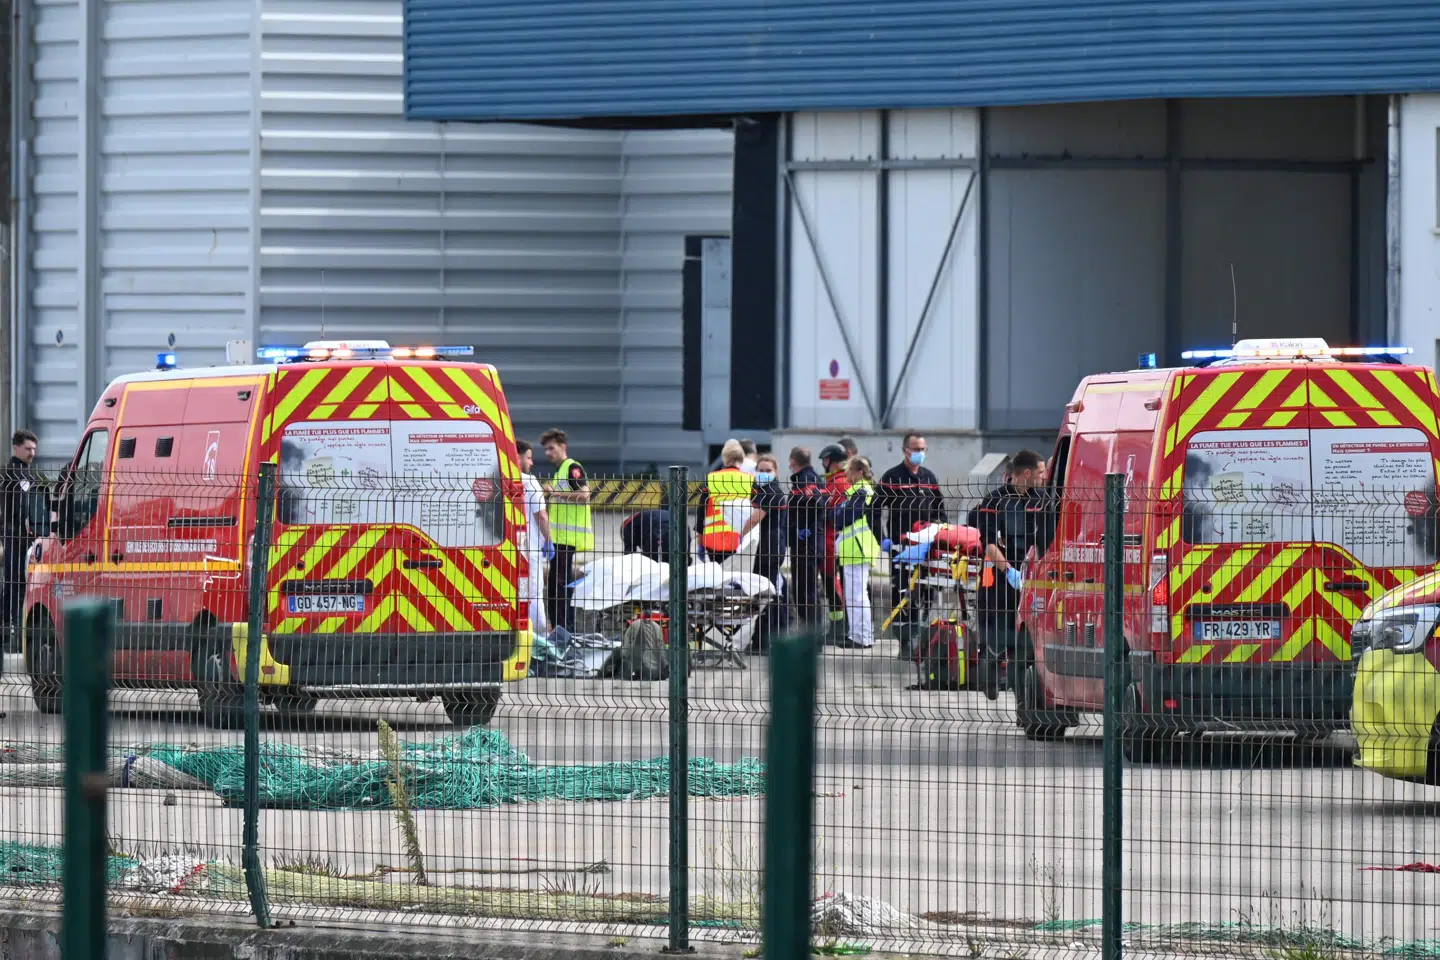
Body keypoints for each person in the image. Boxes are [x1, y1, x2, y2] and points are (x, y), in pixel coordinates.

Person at [971, 449, 1047, 701]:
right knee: (999, 636)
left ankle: (1022, 704)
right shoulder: (994, 502)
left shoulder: (1042, 500)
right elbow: (990, 545)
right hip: (1001, 581)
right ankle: (990, 667)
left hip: (1034, 576)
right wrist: (1012, 572)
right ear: (1026, 474)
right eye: (1041, 472)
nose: (1045, 477)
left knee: (1022, 647)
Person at [876, 432, 948, 657]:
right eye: (915, 449)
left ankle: (923, 638)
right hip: (902, 548)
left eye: (923, 449)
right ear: (905, 450)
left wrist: (941, 534)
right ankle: (905, 642)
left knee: (928, 592)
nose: (920, 453)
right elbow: (874, 509)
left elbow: (940, 511)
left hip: (927, 548)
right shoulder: (892, 477)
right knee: (902, 593)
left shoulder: (929, 478)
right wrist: (883, 538)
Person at [540, 428, 592, 633]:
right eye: (545, 449)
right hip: (558, 539)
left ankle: (563, 630)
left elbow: (585, 493)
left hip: (567, 539)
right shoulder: (559, 472)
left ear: (563, 447)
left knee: (559, 587)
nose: (547, 453)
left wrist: (556, 493)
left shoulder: (572, 468)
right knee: (554, 586)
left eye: (551, 448)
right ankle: (559, 628)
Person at [0, 429, 39, 672]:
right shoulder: (9, 474)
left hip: (26, 539)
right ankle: (9, 632)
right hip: (12, 537)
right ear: (16, 448)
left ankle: (15, 629)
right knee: (13, 585)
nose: (32, 453)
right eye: (27, 449)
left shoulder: (29, 474)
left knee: (22, 586)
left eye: (34, 449)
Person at [831, 456, 880, 649]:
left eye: (849, 469)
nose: (845, 474)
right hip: (854, 549)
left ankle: (861, 637)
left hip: (857, 549)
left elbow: (843, 518)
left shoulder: (862, 492)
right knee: (854, 595)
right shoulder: (856, 493)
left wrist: (837, 513)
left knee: (856, 595)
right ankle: (858, 635)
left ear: (859, 472)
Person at [747, 452, 789, 651]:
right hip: (765, 548)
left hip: (769, 549)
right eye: (760, 470)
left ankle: (765, 640)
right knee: (770, 591)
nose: (763, 474)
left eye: (768, 471)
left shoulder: (771, 491)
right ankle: (769, 636)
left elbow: (755, 518)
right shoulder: (761, 490)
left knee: (765, 593)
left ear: (776, 472)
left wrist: (738, 535)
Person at [697, 439, 763, 560]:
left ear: (724, 458)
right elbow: (756, 511)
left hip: (714, 540)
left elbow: (702, 510)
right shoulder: (749, 480)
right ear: (742, 458)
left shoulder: (712, 478)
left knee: (717, 577)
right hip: (739, 539)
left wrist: (700, 541)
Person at [515, 440, 553, 638]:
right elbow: (541, 515)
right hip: (530, 546)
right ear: (517, 456)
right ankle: (539, 637)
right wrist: (549, 540)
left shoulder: (498, 478)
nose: (531, 462)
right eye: (528, 457)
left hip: (508, 545)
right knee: (534, 592)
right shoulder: (529, 482)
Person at [787, 447, 826, 626]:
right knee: (805, 585)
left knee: (805, 587)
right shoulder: (814, 478)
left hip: (806, 542)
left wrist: (802, 527)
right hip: (811, 539)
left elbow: (815, 504)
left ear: (793, 462)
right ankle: (810, 625)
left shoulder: (805, 480)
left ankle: (812, 628)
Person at [818, 443, 852, 644]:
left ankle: (838, 629)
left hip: (832, 541)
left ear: (831, 461)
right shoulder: (839, 481)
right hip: (836, 541)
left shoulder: (838, 484)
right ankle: (840, 627)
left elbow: (831, 514)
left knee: (832, 584)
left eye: (825, 460)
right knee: (835, 584)